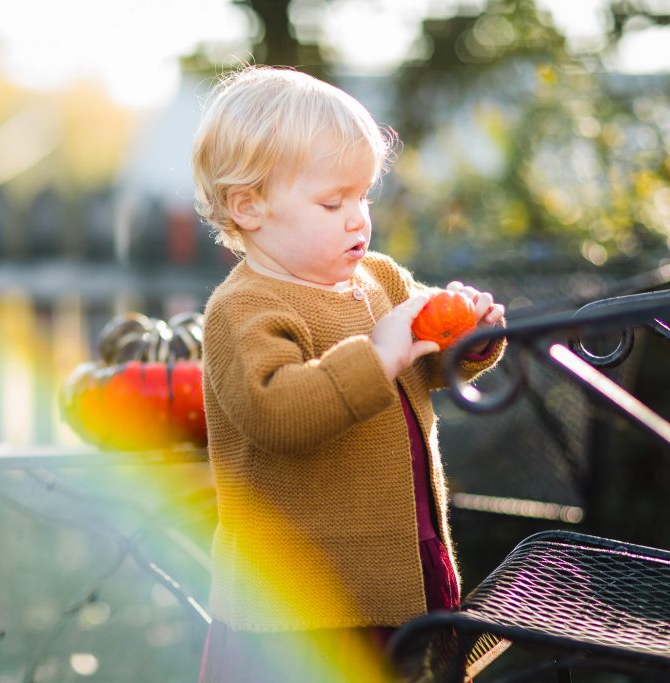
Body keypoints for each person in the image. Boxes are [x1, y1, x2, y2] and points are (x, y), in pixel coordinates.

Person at [191, 65, 506, 681]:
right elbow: (277, 413)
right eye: (332, 202)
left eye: (363, 196)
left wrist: (467, 341)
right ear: (249, 207)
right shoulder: (244, 309)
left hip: (405, 562)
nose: (357, 217)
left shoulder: (379, 280)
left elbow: (426, 364)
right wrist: (379, 354)